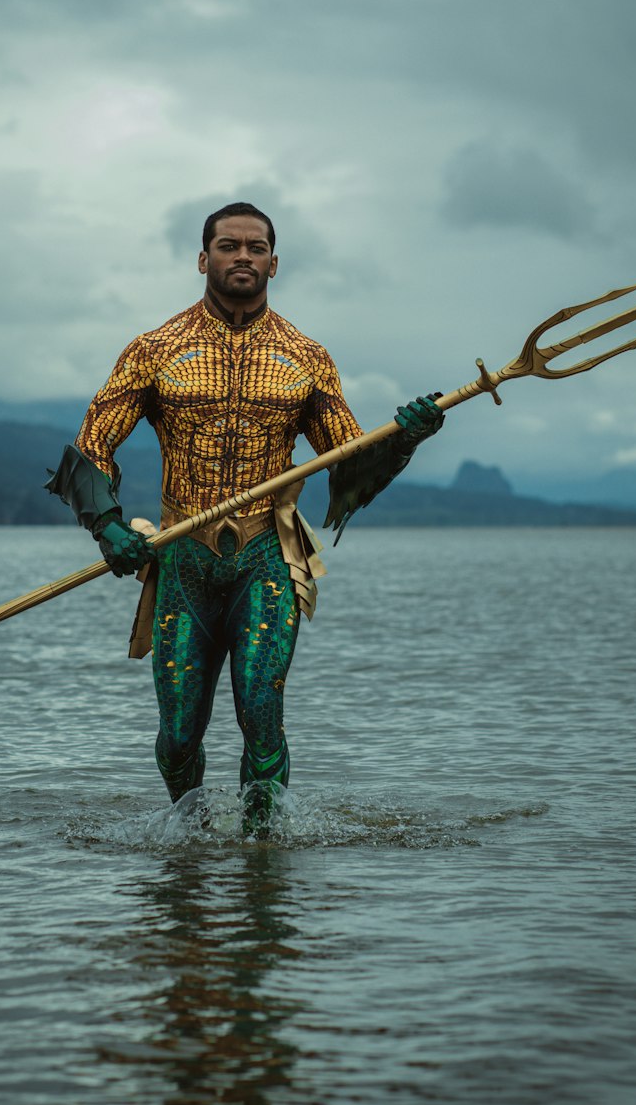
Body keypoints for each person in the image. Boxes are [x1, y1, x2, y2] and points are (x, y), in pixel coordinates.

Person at [47, 202, 444, 829]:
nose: (242, 257)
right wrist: (110, 527)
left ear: (274, 263)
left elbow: (348, 465)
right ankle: (190, 836)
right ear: (203, 259)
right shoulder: (154, 350)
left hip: (265, 557)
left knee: (261, 710)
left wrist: (405, 439)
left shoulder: (306, 357)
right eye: (228, 246)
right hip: (183, 556)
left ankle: (262, 854)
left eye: (255, 248)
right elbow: (91, 446)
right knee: (178, 733)